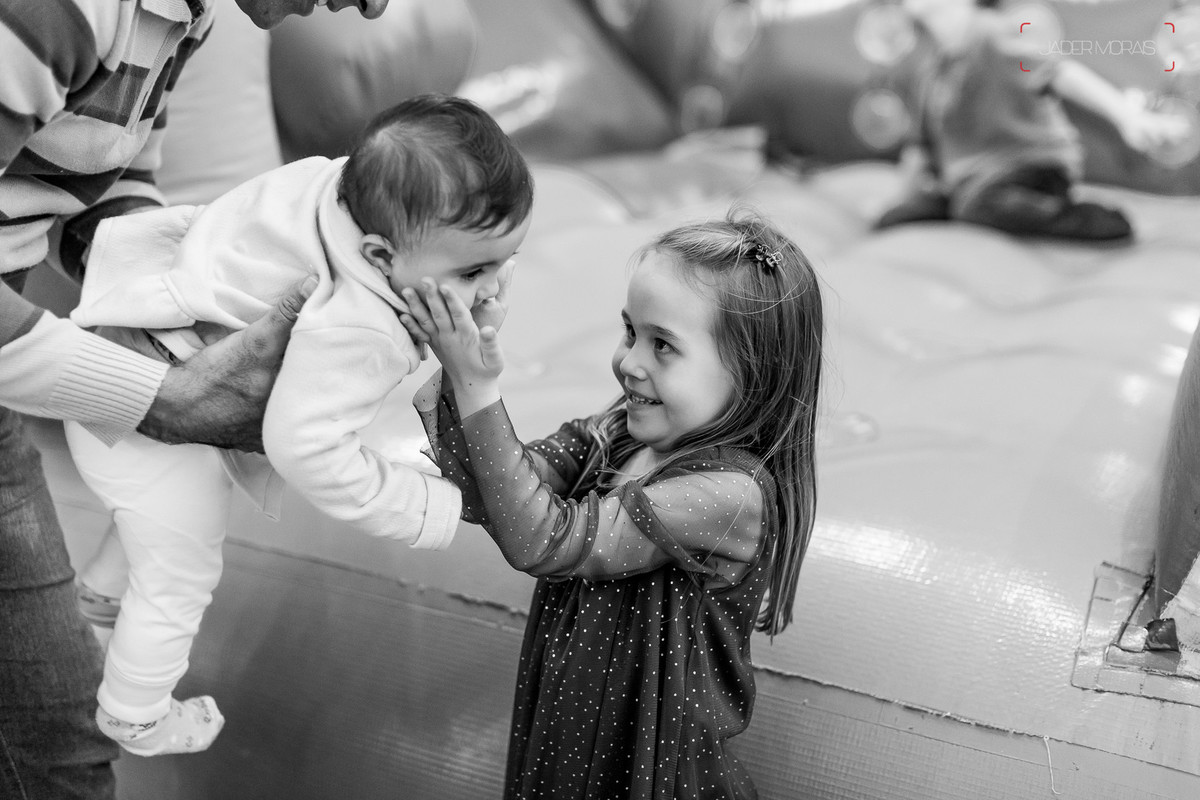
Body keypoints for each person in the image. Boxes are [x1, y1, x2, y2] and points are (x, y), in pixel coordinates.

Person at [61, 93, 533, 757]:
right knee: (181, 569)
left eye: (505, 260)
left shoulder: (342, 187)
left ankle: (97, 608)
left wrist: (475, 290)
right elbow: (305, 447)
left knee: (152, 522)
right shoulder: (358, 322)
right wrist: (424, 503)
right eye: (474, 272)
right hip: (140, 412)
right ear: (379, 257)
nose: (492, 285)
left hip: (129, 335)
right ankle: (133, 713)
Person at [0, 0, 389, 796]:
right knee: (56, 753)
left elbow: (97, 179)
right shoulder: (61, 10)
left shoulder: (188, 14)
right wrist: (158, 396)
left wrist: (186, 300)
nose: (371, 7)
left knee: (58, 749)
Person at [402, 208, 823, 799]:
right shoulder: (616, 433)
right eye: (630, 331)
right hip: (569, 753)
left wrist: (479, 386)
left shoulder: (731, 495)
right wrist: (458, 359)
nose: (629, 361)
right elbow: (500, 493)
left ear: (750, 373)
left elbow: (543, 538)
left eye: (663, 346)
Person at [875, 0, 1186, 240]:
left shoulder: (993, 35)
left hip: (1028, 165)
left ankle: (1093, 219)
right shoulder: (932, 67)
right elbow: (921, 147)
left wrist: (1127, 116)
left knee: (979, 206)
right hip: (967, 182)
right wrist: (905, 200)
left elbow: (1061, 73)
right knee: (901, 217)